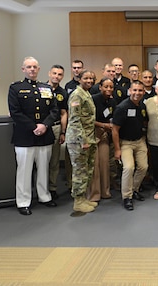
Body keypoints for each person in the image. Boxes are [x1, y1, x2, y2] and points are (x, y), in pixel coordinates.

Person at [8, 56, 59, 215]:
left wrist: (45, 125)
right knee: (24, 171)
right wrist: (33, 127)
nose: (32, 69)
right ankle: (23, 201)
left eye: (35, 67)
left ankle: (44, 196)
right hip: (25, 137)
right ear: (23, 69)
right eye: (29, 67)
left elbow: (54, 110)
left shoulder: (47, 88)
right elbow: (15, 112)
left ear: (39, 69)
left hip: (44, 136)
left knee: (44, 169)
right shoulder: (15, 88)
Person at [113, 81, 149, 211]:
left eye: (140, 91)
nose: (137, 93)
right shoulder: (122, 107)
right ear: (129, 91)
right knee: (128, 167)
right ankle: (126, 197)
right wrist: (117, 149)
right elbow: (115, 129)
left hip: (139, 141)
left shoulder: (142, 106)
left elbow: (144, 122)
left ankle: (134, 189)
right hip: (125, 143)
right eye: (135, 90)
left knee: (143, 167)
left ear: (143, 92)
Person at [66, 69, 98, 213]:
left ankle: (84, 198)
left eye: (91, 79)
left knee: (87, 170)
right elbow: (74, 119)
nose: (89, 81)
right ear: (79, 79)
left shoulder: (87, 94)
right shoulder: (77, 95)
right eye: (86, 78)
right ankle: (78, 201)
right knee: (79, 171)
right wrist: (83, 140)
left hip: (88, 138)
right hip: (78, 140)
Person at [87, 77, 117, 202]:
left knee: (105, 164)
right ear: (100, 87)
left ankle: (105, 192)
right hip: (93, 135)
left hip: (105, 136)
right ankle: (94, 195)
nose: (108, 89)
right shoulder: (93, 100)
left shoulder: (112, 101)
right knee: (94, 166)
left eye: (111, 87)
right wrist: (104, 125)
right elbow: (88, 119)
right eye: (106, 87)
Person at [47, 64, 68, 200]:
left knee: (54, 161)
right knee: (41, 160)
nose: (56, 76)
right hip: (41, 128)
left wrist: (63, 132)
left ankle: (52, 188)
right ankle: (39, 188)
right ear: (49, 74)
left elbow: (64, 113)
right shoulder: (40, 88)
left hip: (55, 128)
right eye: (54, 73)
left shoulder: (62, 93)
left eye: (60, 74)